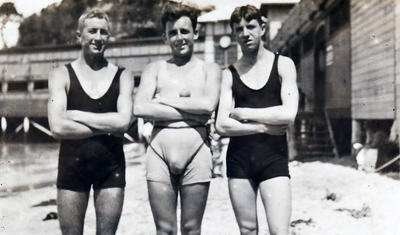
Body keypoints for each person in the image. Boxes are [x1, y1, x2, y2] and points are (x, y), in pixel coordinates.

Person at [133, 2, 221, 235]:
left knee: (191, 229)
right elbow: (140, 108)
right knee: (164, 230)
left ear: (196, 32)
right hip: (159, 153)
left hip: (197, 152)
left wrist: (163, 101)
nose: (179, 37)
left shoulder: (209, 69)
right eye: (173, 32)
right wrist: (193, 111)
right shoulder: (155, 69)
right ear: (165, 37)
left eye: (184, 31)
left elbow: (209, 105)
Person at [48, 8, 134, 235]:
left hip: (111, 168)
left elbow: (124, 123)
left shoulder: (122, 75)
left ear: (109, 37)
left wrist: (77, 115)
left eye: (103, 32)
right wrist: (108, 126)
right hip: (72, 167)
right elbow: (57, 127)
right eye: (92, 31)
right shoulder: (61, 74)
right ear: (79, 37)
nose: (98, 37)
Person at [216, 5, 299, 235]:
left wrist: (245, 114)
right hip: (239, 159)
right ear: (234, 34)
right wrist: (263, 126)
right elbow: (221, 124)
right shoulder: (229, 73)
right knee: (248, 230)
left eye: (250, 26)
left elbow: (289, 114)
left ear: (262, 28)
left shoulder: (283, 65)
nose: (245, 33)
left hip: (274, 156)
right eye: (239, 29)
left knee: (279, 231)